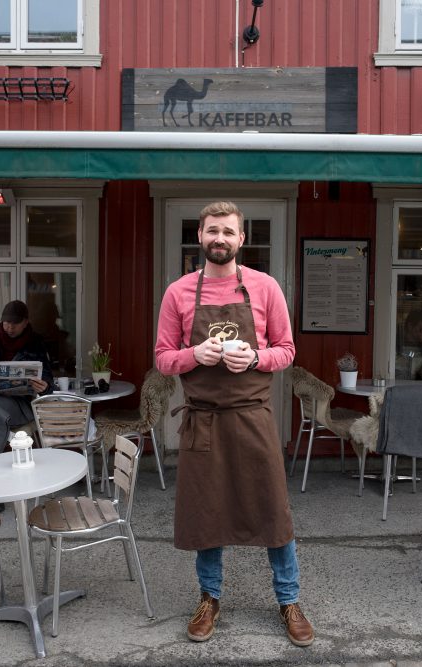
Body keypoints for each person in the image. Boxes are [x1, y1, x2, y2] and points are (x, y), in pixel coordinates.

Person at [155, 201, 314, 647]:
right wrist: (194, 356)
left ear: (241, 239)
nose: (219, 238)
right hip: (203, 420)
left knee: (273, 510)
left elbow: (286, 349)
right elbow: (163, 359)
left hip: (252, 417)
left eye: (228, 231)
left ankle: (289, 600)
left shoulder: (264, 288)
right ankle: (209, 599)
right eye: (211, 231)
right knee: (208, 514)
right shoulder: (179, 292)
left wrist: (258, 357)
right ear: (199, 236)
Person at [0, 300, 54, 509]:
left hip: (22, 405)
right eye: (5, 323)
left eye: (14, 323)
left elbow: (48, 379)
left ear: (25, 322)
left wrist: (44, 385)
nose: (9, 327)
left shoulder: (36, 343)